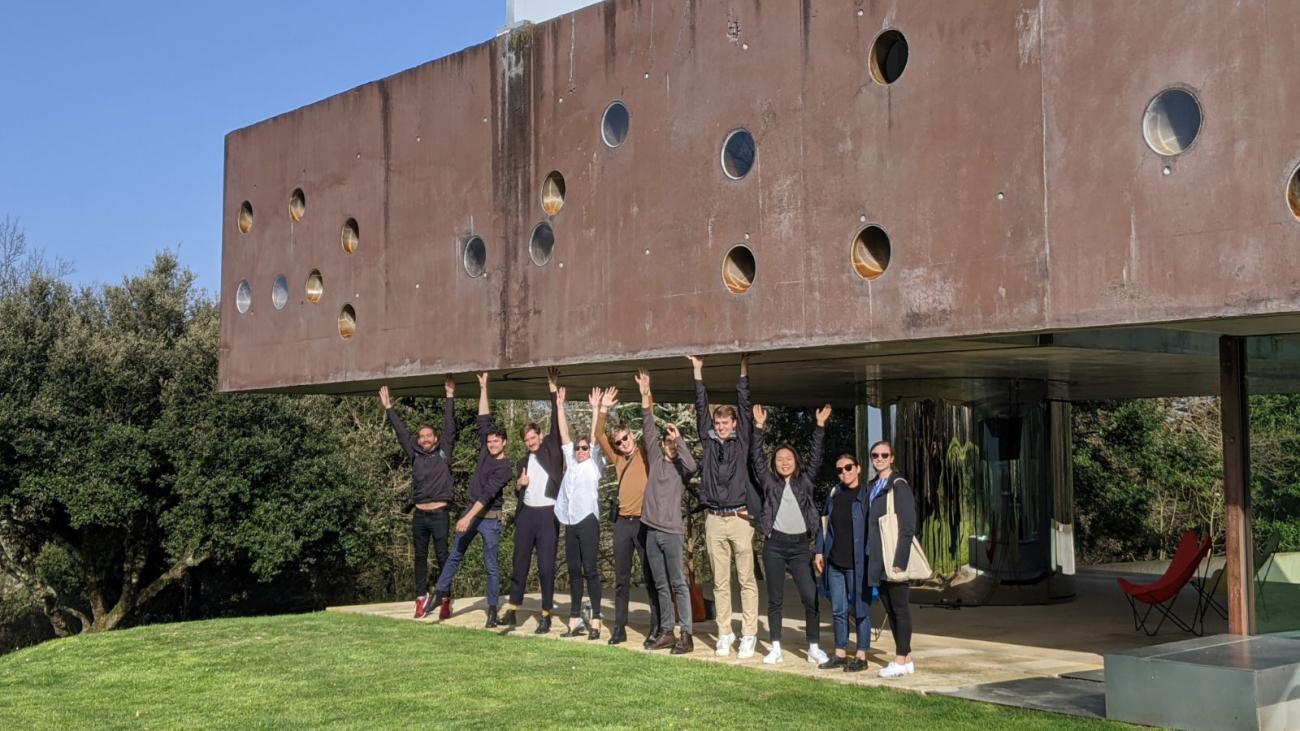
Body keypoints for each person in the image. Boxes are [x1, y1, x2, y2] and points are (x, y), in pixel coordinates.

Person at [688, 354, 762, 659]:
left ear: (733, 425)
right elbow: (700, 408)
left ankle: (749, 634)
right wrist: (697, 371)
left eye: (725, 422)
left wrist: (743, 369)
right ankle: (724, 633)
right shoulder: (708, 442)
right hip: (714, 519)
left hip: (740, 517)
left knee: (746, 579)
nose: (720, 426)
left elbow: (745, 406)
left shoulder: (741, 442)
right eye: (717, 423)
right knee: (719, 581)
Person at [429, 372, 513, 627]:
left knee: (491, 566)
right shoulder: (485, 449)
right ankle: (438, 596)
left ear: (504, 443)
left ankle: (491, 611)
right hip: (471, 512)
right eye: (489, 441)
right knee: (455, 556)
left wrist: (467, 517)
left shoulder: (505, 468)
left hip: (488, 518)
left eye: (496, 442)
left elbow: (487, 496)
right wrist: (484, 386)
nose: (491, 444)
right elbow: (483, 418)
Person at [751, 402, 831, 666]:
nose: (784, 463)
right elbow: (756, 458)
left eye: (789, 459)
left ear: (796, 461)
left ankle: (814, 647)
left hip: (800, 547)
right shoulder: (769, 482)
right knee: (775, 599)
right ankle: (775, 647)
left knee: (811, 597)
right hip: (774, 545)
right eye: (779, 459)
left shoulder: (804, 482)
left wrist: (819, 427)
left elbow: (817, 457)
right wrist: (759, 428)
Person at [379, 377, 457, 620]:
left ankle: (445, 600)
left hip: (440, 514)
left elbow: (449, 427)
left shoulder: (443, 450)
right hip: (420, 514)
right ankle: (420, 601)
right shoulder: (414, 454)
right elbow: (401, 432)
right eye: (421, 436)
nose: (424, 439)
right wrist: (389, 408)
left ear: (434, 438)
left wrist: (449, 397)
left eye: (428, 435)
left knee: (443, 556)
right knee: (420, 558)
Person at [635, 369, 699, 654]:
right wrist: (645, 392)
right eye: (668, 442)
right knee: (661, 585)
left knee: (678, 583)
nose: (671, 446)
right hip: (651, 532)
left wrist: (680, 438)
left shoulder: (680, 469)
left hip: (671, 534)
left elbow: (694, 466)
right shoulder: (655, 457)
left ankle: (687, 635)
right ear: (661, 445)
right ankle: (667, 632)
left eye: (674, 443)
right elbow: (648, 424)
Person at [592, 386, 659, 646]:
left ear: (632, 435)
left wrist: (645, 393)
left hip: (644, 521)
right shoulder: (619, 459)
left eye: (625, 438)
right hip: (623, 523)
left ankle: (657, 626)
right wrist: (604, 408)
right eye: (618, 442)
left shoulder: (645, 453)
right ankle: (619, 627)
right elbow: (598, 434)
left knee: (650, 575)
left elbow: (649, 419)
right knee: (621, 579)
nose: (622, 444)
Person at [503, 368, 565, 634]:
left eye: (532, 437)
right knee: (519, 561)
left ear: (540, 436)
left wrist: (553, 390)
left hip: (548, 514)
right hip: (527, 514)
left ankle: (546, 613)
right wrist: (520, 484)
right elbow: (518, 492)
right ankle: (513, 609)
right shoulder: (522, 462)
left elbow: (555, 418)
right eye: (526, 440)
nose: (530, 442)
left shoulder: (551, 449)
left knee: (546, 567)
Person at [553, 386, 605, 640]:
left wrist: (595, 409)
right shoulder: (572, 463)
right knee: (573, 570)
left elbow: (596, 438)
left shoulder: (594, 464)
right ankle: (574, 619)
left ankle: (595, 620)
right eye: (579, 448)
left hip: (588, 522)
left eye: (584, 448)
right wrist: (559, 405)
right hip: (571, 522)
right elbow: (564, 437)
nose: (581, 451)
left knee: (590, 569)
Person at [814, 453, 871, 672]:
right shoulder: (834, 494)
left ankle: (861, 655)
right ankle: (840, 653)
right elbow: (824, 524)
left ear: (858, 468)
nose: (844, 473)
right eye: (840, 470)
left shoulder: (866, 495)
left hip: (858, 563)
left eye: (848, 468)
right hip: (835, 562)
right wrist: (819, 550)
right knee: (838, 610)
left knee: (860, 609)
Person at [865, 440, 917, 678]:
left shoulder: (898, 485)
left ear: (892, 458)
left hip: (892, 555)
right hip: (876, 556)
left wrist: (901, 558)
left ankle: (900, 658)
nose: (879, 459)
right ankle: (905, 658)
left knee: (900, 608)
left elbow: (907, 525)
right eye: (875, 455)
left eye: (884, 455)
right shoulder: (872, 485)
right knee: (890, 609)